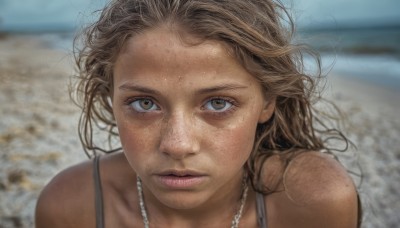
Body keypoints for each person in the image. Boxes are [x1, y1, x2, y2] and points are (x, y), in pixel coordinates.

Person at [35, 0, 361, 227]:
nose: (178, 145)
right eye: (144, 103)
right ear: (110, 99)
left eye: (218, 103)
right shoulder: (73, 208)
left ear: (267, 101)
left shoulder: (311, 203)